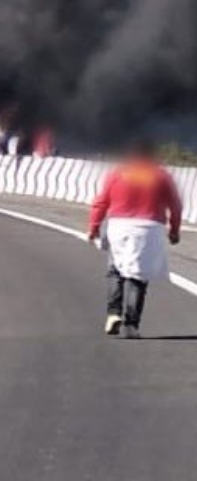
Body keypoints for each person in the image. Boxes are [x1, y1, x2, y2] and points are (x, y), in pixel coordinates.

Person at [89, 139, 182, 339]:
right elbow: (175, 205)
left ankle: (113, 313)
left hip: (119, 226)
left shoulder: (118, 173)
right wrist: (174, 230)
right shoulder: (161, 175)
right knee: (138, 277)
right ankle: (131, 324)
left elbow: (101, 202)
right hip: (149, 229)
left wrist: (94, 227)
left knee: (115, 271)